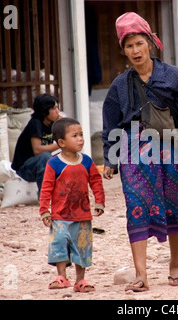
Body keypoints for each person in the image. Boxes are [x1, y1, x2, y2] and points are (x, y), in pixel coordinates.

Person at [102, 12, 178, 292]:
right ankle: (141, 274)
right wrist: (110, 158)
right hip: (134, 152)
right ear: (123, 50)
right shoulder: (120, 85)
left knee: (177, 203)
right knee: (136, 206)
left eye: (139, 43)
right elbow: (110, 122)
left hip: (172, 148)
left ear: (151, 43)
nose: (135, 50)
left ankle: (175, 264)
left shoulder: (173, 77)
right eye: (129, 46)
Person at [40, 117, 105, 293]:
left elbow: (96, 182)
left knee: (82, 246)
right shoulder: (53, 163)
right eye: (75, 135)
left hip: (82, 215)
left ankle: (80, 280)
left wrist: (99, 201)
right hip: (60, 215)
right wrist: (45, 211)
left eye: (81, 135)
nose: (80, 139)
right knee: (59, 243)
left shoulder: (87, 161)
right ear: (61, 142)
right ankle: (61, 276)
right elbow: (46, 188)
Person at [11, 94, 61, 196]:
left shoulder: (51, 124)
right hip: (25, 169)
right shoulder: (35, 123)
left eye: (57, 107)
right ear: (44, 110)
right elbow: (37, 150)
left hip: (38, 165)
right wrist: (60, 145)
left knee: (64, 157)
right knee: (46, 157)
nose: (57, 111)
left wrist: (63, 123)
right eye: (54, 108)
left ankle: (62, 194)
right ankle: (45, 196)